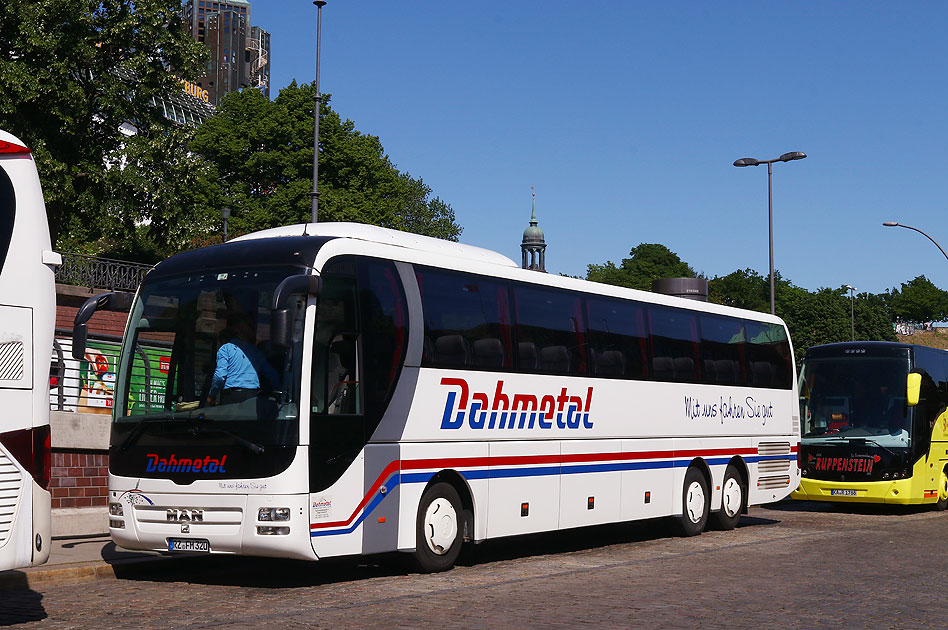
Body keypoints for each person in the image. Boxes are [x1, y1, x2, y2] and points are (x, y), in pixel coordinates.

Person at [206, 316, 280, 406]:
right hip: (252, 397)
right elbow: (272, 375)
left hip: (231, 397)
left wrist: (212, 395)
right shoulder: (255, 352)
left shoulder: (226, 348)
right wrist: (277, 396)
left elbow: (219, 377)